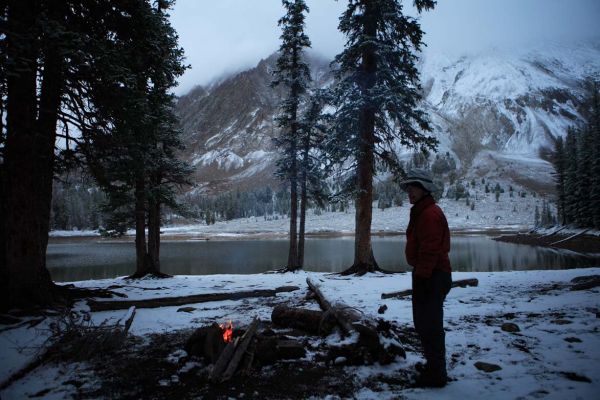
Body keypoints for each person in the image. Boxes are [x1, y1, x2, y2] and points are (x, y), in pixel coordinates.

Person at [400, 168, 452, 387]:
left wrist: (421, 278)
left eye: (415, 187)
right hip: (428, 274)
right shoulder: (423, 210)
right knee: (424, 323)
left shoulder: (429, 214)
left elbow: (430, 249)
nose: (410, 191)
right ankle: (433, 366)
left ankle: (436, 373)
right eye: (409, 187)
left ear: (425, 189)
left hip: (431, 275)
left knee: (430, 325)